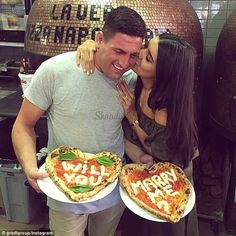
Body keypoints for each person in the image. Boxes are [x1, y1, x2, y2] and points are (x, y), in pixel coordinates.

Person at [11, 6, 146, 236]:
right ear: (99, 39)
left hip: (112, 186)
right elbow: (23, 124)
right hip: (64, 186)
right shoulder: (55, 70)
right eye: (118, 51)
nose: (124, 63)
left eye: (133, 55)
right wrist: (29, 165)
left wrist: (139, 156)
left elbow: (114, 130)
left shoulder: (133, 79)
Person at [77, 32, 199, 236]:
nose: (138, 55)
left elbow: (158, 152)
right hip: (142, 171)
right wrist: (90, 46)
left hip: (168, 183)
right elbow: (109, 44)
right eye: (145, 47)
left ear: (163, 73)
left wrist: (132, 115)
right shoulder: (138, 80)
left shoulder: (165, 107)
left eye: (148, 57)